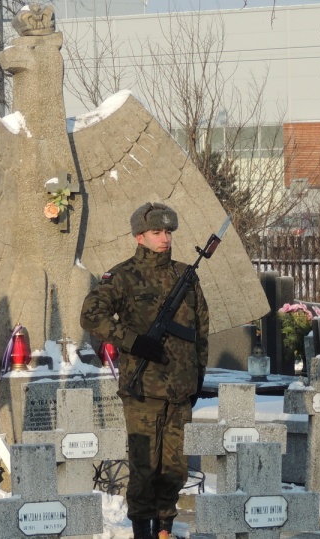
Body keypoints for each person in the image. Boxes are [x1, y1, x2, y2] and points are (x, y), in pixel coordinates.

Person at [80, 202, 209, 539]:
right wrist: (133, 342)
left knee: (174, 467)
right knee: (144, 467)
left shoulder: (186, 275)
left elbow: (201, 330)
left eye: (168, 232)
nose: (164, 238)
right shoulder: (122, 276)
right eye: (157, 232)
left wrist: (199, 377)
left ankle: (164, 529)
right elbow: (91, 315)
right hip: (144, 391)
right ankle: (142, 531)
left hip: (179, 391)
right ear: (140, 236)